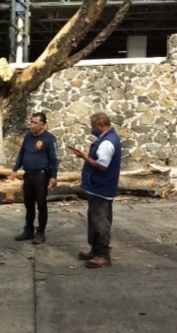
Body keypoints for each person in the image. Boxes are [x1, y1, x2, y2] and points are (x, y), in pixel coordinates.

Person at [69, 112, 121, 269]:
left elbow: (102, 166)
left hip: (101, 188)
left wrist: (85, 157)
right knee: (94, 220)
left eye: (93, 126)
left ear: (101, 125)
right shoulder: (106, 139)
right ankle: (95, 250)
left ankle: (103, 255)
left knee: (101, 222)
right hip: (96, 187)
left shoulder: (107, 143)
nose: (92, 129)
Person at [10, 112, 58, 244]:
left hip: (41, 175)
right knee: (28, 203)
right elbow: (21, 154)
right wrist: (15, 169)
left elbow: (54, 159)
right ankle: (29, 230)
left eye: (35, 123)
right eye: (31, 122)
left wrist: (53, 177)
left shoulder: (49, 139)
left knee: (41, 203)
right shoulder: (28, 137)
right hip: (28, 175)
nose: (32, 125)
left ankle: (41, 232)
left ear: (43, 125)